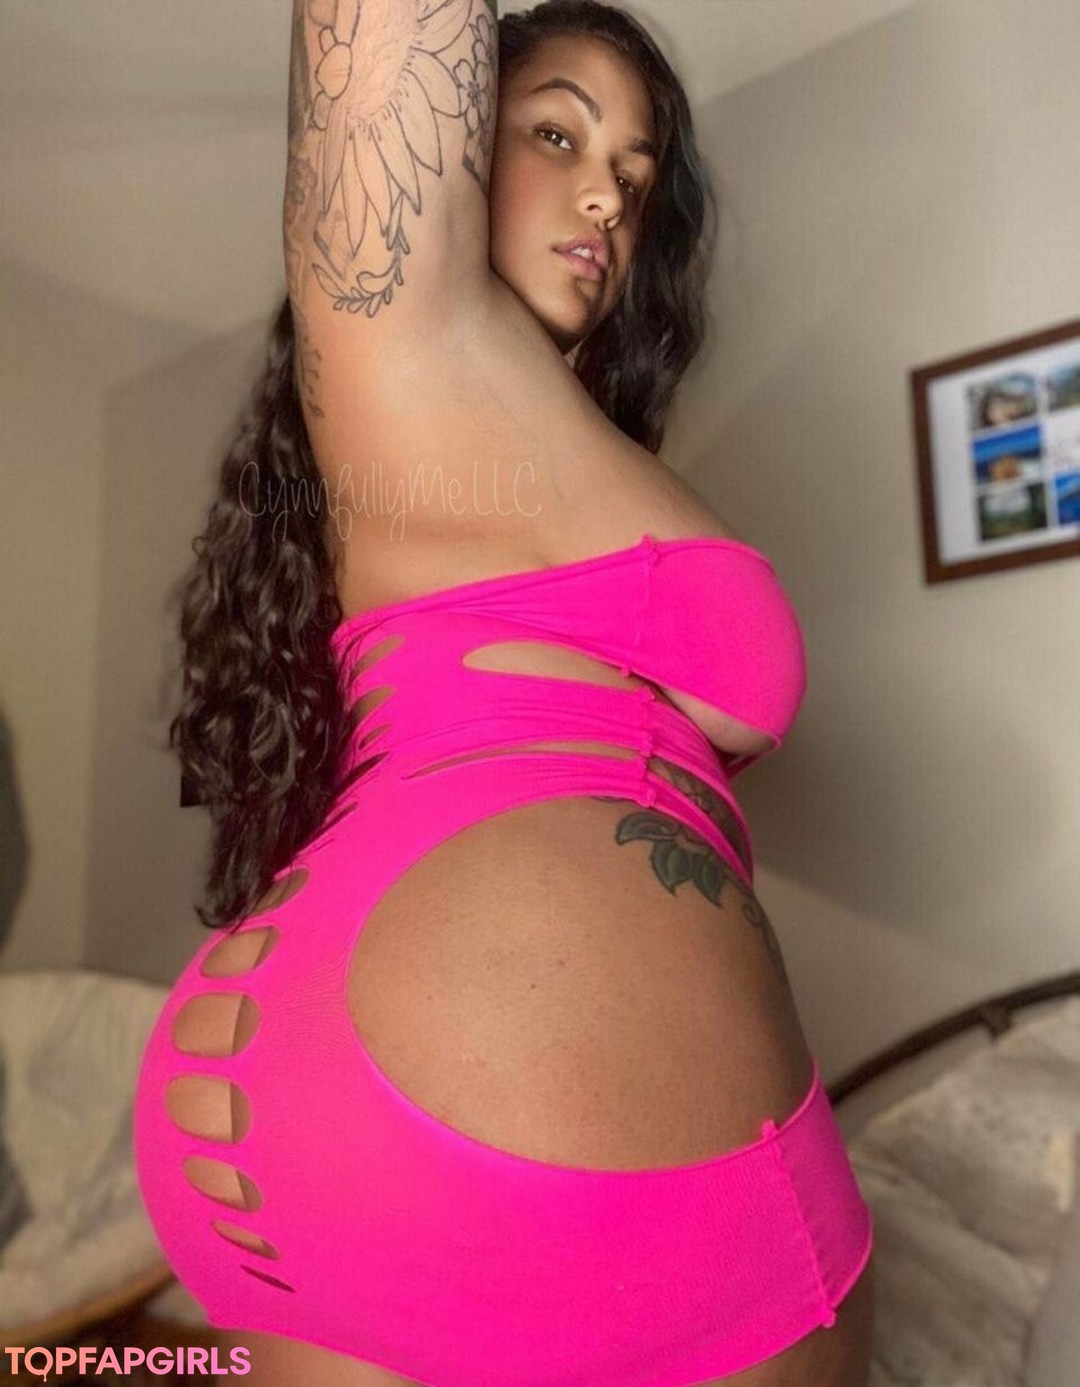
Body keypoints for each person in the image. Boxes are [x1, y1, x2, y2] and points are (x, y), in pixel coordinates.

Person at [133, 2, 876, 1383]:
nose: (608, 196)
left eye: (637, 175)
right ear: (461, 150)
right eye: (557, 134)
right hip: (506, 1107)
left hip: (302, 1098)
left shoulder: (516, 444)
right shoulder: (420, 340)